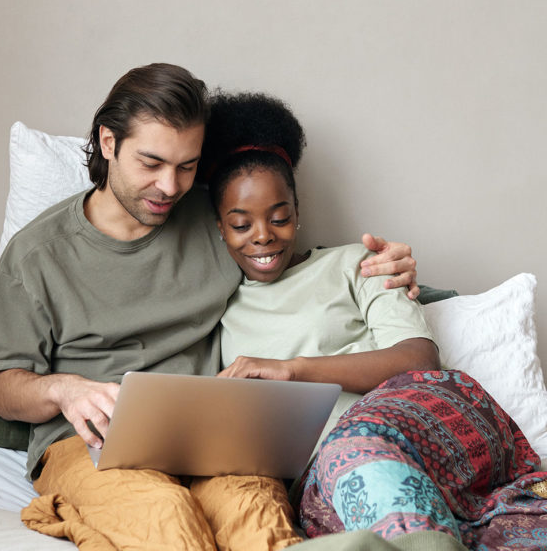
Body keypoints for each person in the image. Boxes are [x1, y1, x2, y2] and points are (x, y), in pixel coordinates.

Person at [0, 63, 420, 551]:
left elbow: (286, 256)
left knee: (257, 518)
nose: (170, 186)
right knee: (167, 519)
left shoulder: (214, 220)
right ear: (107, 143)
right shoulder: (38, 253)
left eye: (187, 166)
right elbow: (4, 391)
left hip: (210, 436)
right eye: (151, 163)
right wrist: (63, 389)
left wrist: (387, 268)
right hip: (89, 444)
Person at [195, 91, 547, 550]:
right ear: (220, 227)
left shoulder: (358, 263)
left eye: (279, 217)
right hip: (324, 471)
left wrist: (292, 370)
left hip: (423, 415)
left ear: (298, 213)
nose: (263, 236)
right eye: (241, 225)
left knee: (354, 453)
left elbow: (419, 357)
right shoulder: (222, 314)